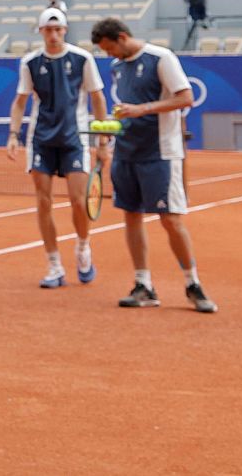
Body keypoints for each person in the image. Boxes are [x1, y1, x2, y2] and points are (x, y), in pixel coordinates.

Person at [90, 17, 218, 313]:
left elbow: (185, 98)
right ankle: (143, 284)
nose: (108, 56)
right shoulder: (117, 67)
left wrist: (142, 109)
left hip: (160, 153)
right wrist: (108, 133)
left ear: (122, 37)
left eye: (110, 48)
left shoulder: (162, 58)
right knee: (131, 216)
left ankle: (192, 284)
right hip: (126, 153)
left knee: (171, 220)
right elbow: (126, 109)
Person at [7, 8, 109, 288]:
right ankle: (54, 265)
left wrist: (102, 140)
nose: (53, 35)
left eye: (57, 30)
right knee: (43, 202)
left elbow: (98, 99)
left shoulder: (82, 59)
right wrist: (13, 135)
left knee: (79, 201)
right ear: (41, 31)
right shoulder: (30, 62)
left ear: (64, 30)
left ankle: (83, 247)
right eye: (47, 30)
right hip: (40, 139)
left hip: (74, 139)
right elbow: (20, 102)